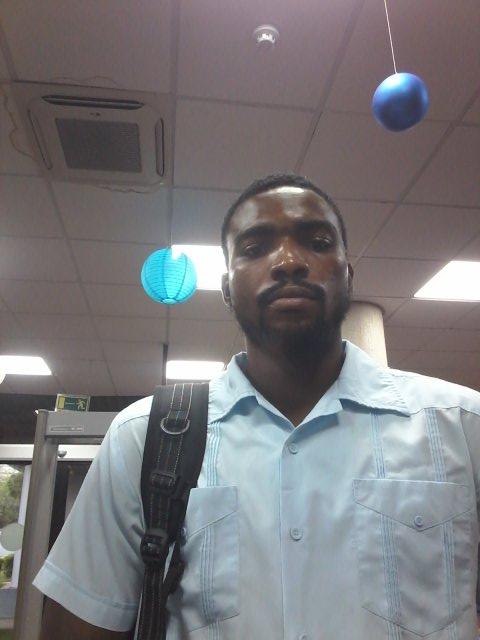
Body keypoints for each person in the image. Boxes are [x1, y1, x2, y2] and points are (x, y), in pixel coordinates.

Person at [34, 173, 480, 640]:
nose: (289, 261)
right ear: (227, 289)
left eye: (317, 242)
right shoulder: (145, 437)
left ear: (348, 276)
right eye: (254, 247)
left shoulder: (461, 426)